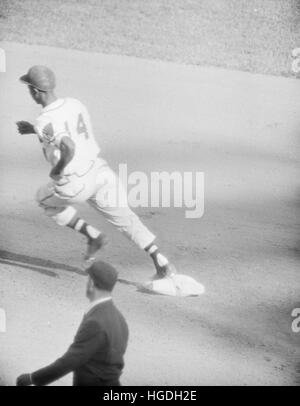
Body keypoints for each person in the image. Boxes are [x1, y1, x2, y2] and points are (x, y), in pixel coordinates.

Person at [17, 65, 176, 279]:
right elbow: (66, 127)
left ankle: (92, 236)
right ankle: (161, 261)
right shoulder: (75, 103)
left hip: (75, 182)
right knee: (126, 218)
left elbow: (68, 146)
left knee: (43, 200)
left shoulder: (45, 119)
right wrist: (35, 130)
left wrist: (57, 170)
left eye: (29, 88)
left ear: (36, 91)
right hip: (101, 173)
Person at [16, 261, 129, 386]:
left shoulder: (95, 322)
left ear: (91, 283)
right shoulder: (120, 319)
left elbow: (71, 360)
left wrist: (32, 378)